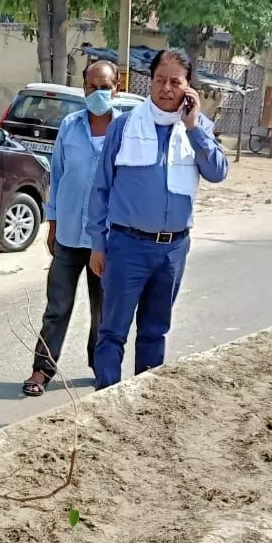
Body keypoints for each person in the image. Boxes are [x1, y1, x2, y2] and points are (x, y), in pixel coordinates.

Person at [86, 48, 229, 390]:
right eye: (160, 80)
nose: (166, 88)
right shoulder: (124, 127)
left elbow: (217, 172)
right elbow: (101, 189)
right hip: (126, 247)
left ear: (188, 87)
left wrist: (193, 127)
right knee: (112, 332)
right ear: (149, 83)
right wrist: (97, 244)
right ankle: (105, 400)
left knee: (154, 331)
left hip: (172, 251)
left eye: (175, 82)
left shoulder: (199, 128)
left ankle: (143, 403)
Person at [22, 61, 118, 397]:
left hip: (104, 240)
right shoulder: (70, 125)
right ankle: (42, 369)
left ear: (115, 87)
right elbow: (58, 176)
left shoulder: (123, 129)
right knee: (57, 305)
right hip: (68, 235)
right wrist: (53, 223)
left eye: (104, 87)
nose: (98, 93)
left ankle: (101, 367)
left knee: (103, 309)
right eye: (92, 87)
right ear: (84, 87)